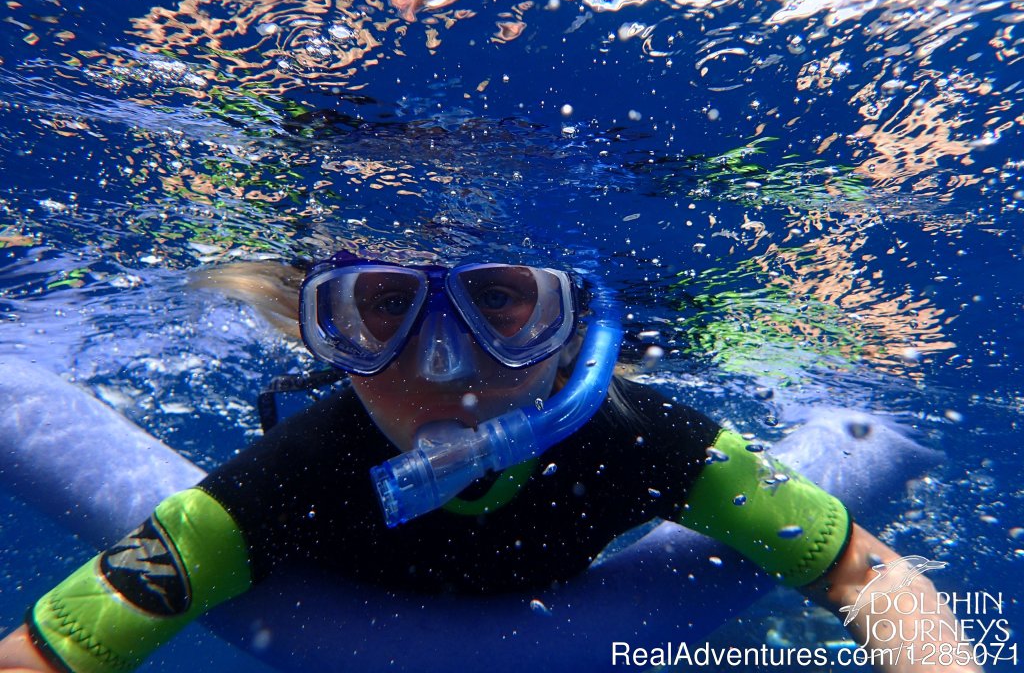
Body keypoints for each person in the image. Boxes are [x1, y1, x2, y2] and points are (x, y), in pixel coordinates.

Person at [0, 251, 981, 673]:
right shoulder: (287, 480)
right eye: (384, 306)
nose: (443, 364)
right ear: (323, 329)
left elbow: (870, 575)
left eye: (498, 301)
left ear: (576, 330)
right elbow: (47, 653)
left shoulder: (643, 438)